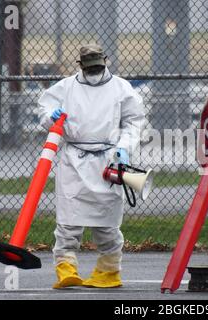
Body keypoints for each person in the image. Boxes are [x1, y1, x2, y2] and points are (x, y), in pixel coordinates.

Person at [37, 42, 145, 289]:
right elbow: (45, 108)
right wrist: (50, 117)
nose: (94, 71)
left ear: (105, 61)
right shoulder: (66, 87)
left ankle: (109, 271)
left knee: (107, 221)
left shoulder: (121, 88)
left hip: (108, 159)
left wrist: (124, 147)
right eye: (90, 68)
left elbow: (134, 121)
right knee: (68, 220)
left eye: (97, 66)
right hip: (73, 160)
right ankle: (66, 269)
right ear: (81, 66)